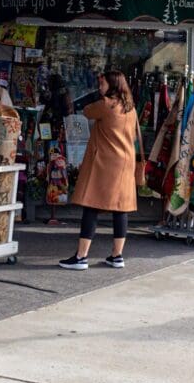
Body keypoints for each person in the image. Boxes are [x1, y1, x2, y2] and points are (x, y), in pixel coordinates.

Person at [59, 68, 138, 271]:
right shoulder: (130, 107)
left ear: (111, 85)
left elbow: (86, 111)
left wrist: (98, 96)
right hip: (125, 163)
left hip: (105, 162)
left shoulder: (105, 104)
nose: (99, 87)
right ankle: (117, 255)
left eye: (102, 84)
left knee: (91, 205)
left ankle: (81, 256)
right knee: (121, 209)